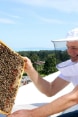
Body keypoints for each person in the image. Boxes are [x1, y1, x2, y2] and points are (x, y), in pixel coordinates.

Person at [8, 28, 78, 117]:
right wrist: (30, 70)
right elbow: (50, 90)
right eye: (68, 47)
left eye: (74, 48)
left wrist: (31, 114)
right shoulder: (73, 65)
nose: (69, 52)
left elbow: (74, 98)